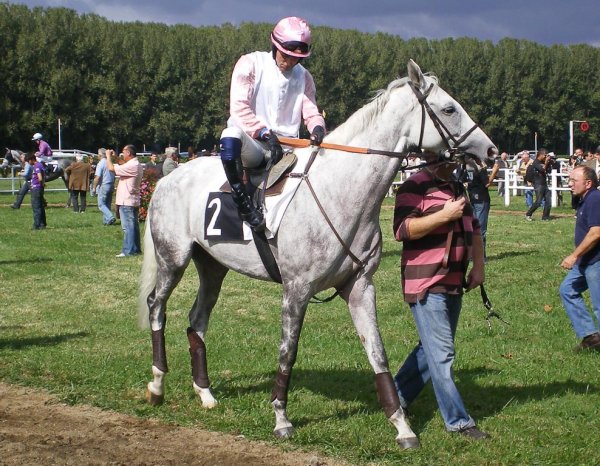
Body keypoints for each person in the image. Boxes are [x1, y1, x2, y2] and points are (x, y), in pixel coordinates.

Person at [393, 152, 489, 440]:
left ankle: (394, 396)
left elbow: (474, 230)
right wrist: (443, 215)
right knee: (442, 353)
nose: (458, 162)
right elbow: (402, 230)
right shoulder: (414, 186)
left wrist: (479, 267)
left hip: (454, 281)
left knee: (430, 350)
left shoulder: (457, 188)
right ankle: (458, 422)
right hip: (426, 280)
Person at [219, 16, 326, 230]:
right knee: (230, 134)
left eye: (298, 57)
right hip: (255, 144)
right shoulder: (250, 63)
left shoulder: (305, 77)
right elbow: (239, 108)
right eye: (286, 55)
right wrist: (264, 133)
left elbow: (311, 112)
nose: (291, 61)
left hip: (288, 149)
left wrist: (317, 128)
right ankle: (243, 202)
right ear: (275, 46)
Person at [559, 165, 600, 352]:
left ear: (588, 183)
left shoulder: (595, 199)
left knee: (599, 305)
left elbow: (596, 233)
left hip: (596, 261)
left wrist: (574, 255)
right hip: (586, 261)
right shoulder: (584, 199)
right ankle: (591, 336)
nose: (570, 184)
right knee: (568, 290)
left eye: (574, 181)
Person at [106, 145, 143, 257]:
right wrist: (115, 157)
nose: (122, 154)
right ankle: (135, 249)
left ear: (129, 153)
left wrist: (108, 157)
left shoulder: (132, 165)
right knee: (133, 226)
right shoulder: (135, 164)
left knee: (128, 226)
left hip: (127, 200)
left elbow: (111, 169)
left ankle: (129, 250)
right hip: (131, 200)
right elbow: (122, 163)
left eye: (123, 152)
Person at [465, 157, 491, 260]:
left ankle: (472, 255)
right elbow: (487, 183)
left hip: (472, 198)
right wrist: (495, 171)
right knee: (481, 230)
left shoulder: (467, 168)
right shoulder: (480, 169)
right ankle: (480, 256)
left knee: (473, 227)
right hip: (482, 199)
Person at [525, 148, 552, 221]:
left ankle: (545, 217)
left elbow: (547, 170)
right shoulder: (536, 163)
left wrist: (549, 162)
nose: (546, 157)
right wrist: (546, 162)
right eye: (545, 155)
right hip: (538, 184)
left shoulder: (544, 162)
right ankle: (528, 214)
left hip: (544, 184)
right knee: (538, 201)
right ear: (541, 155)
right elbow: (542, 169)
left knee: (548, 201)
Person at [93, 148, 116, 225]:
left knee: (101, 204)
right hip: (111, 184)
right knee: (107, 204)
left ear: (100, 155)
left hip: (104, 185)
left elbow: (97, 177)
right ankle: (106, 221)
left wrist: (94, 187)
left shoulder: (101, 163)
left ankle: (110, 217)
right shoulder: (110, 162)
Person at [26, 152, 46, 230]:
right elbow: (43, 178)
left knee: (36, 207)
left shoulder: (37, 166)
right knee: (41, 206)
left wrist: (37, 184)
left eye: (28, 161)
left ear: (31, 159)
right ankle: (42, 224)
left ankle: (36, 225)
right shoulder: (40, 165)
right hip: (39, 188)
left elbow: (40, 178)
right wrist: (42, 185)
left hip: (36, 189)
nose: (28, 163)